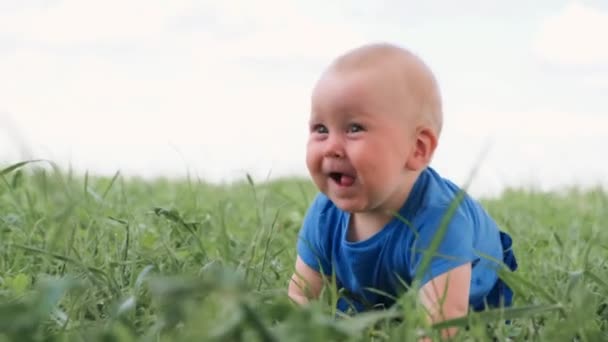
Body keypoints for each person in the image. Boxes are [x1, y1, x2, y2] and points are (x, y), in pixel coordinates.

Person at [287, 42, 517, 336]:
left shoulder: (439, 222)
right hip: (383, 294)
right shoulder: (324, 215)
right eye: (320, 129)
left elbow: (442, 325)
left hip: (471, 290)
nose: (331, 147)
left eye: (354, 128)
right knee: (365, 315)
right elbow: (302, 298)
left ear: (417, 148)